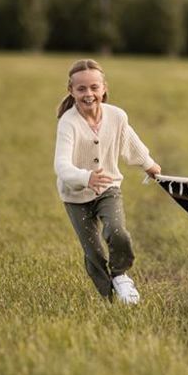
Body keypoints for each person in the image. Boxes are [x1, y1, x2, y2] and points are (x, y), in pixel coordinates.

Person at [53, 58, 161, 304]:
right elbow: (61, 165)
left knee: (117, 231)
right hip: (75, 196)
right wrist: (85, 177)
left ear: (104, 88)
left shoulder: (117, 116)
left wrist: (150, 165)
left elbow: (130, 143)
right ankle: (109, 297)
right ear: (71, 91)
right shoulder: (68, 123)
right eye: (81, 89)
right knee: (93, 252)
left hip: (108, 188)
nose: (88, 94)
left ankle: (121, 275)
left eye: (94, 87)